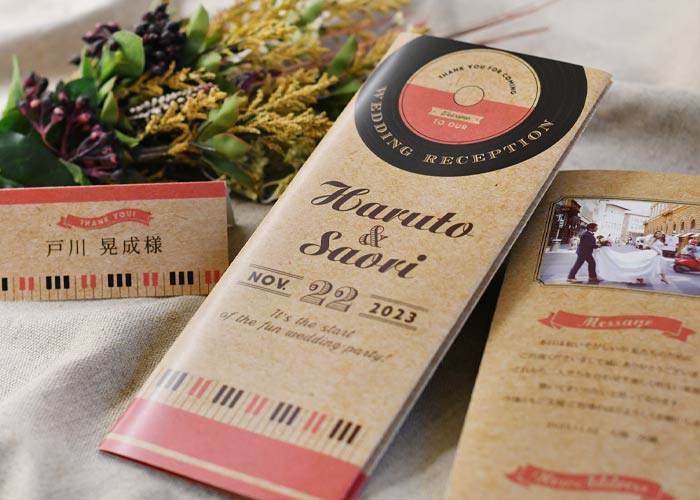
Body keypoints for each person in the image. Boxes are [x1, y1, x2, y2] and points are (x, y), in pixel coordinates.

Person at [595, 231, 668, 285]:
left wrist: (663, 244)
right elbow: (649, 245)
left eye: (659, 233)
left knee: (660, 264)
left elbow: (662, 245)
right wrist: (657, 251)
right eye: (657, 233)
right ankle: (641, 278)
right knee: (644, 265)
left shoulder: (661, 240)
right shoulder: (654, 239)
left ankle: (662, 278)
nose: (658, 234)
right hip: (654, 253)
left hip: (657, 254)